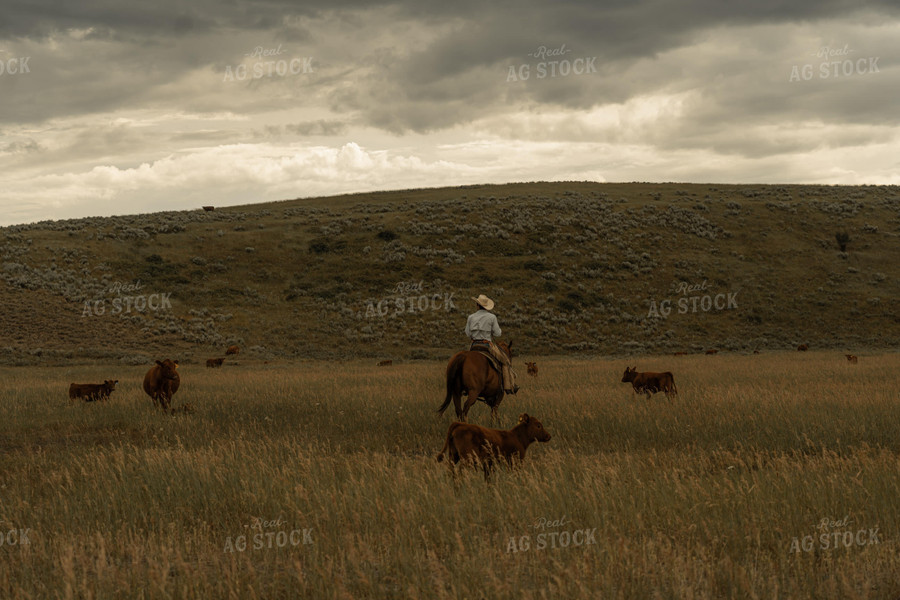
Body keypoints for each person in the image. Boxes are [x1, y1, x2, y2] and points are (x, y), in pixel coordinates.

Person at [465, 294, 518, 394]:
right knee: (505, 361)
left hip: (474, 346)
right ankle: (509, 386)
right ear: (486, 306)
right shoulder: (491, 317)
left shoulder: (470, 317)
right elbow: (498, 333)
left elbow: (467, 333)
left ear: (477, 305)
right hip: (487, 346)